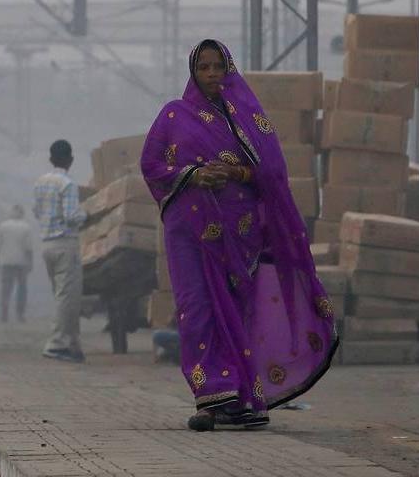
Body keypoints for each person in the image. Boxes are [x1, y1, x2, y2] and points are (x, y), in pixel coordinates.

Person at [140, 39, 338, 431]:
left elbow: (270, 174)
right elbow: (150, 164)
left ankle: (240, 397)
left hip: (239, 233)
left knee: (234, 311)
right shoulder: (173, 115)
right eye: (204, 68)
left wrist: (232, 172)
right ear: (193, 73)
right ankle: (211, 396)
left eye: (218, 66)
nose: (212, 74)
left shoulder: (247, 118)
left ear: (229, 69)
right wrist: (192, 175)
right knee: (196, 307)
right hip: (189, 231)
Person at [33, 139, 87, 362]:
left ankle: (72, 345)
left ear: (50, 159)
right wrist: (88, 215)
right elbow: (71, 216)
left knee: (62, 296)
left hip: (47, 244)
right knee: (67, 298)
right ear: (70, 160)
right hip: (65, 244)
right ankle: (56, 345)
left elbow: (37, 212)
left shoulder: (41, 182)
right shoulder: (67, 184)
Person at [0, 205, 34, 323]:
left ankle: (4, 314)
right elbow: (28, 248)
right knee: (21, 289)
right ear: (22, 214)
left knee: (6, 289)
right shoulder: (26, 227)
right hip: (21, 262)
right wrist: (30, 263)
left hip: (5, 262)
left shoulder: (3, 226)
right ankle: (20, 315)